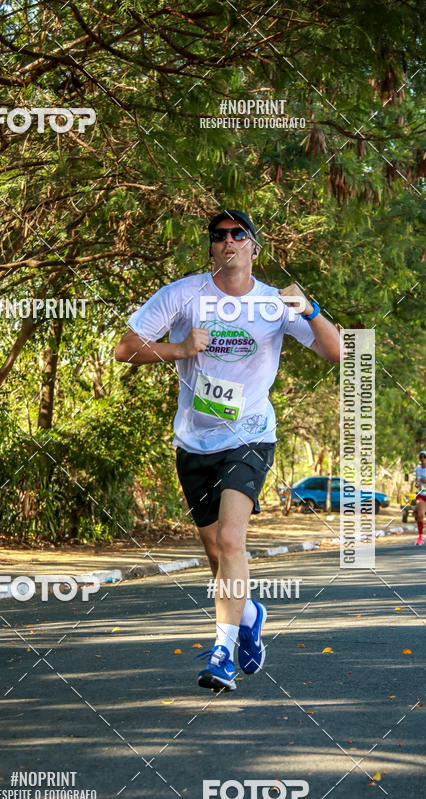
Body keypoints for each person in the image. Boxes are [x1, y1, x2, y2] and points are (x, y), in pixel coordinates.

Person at [114, 209, 341, 692]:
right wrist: (178, 349)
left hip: (250, 435)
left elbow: (337, 352)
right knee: (217, 552)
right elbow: (126, 348)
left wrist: (311, 310)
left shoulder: (275, 303)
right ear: (212, 248)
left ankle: (222, 653)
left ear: (254, 248)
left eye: (239, 234)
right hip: (194, 440)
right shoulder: (183, 294)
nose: (229, 241)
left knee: (233, 540)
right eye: (219, 235)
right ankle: (250, 613)